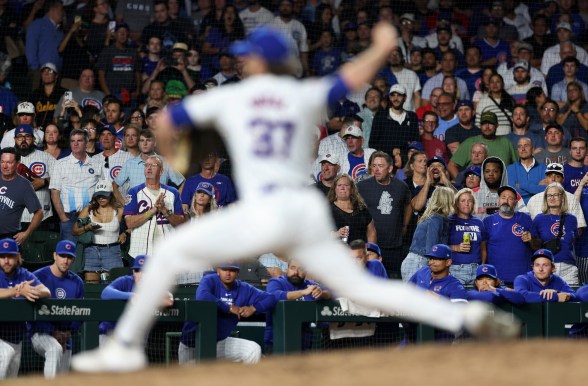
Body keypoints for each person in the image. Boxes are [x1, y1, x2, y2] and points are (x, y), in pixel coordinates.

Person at [72, 24, 519, 374]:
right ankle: (465, 318)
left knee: (168, 251)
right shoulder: (302, 93)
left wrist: (174, 152)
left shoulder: (234, 96)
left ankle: (125, 348)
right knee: (363, 286)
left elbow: (167, 121)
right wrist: (382, 45)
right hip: (304, 209)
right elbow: (353, 76)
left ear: (258, 62)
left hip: (265, 210)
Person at [0, 238, 50, 380]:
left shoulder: (23, 274)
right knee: (5, 352)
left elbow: (46, 291)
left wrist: (31, 290)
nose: (6, 260)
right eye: (2, 256)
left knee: (11, 379)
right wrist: (17, 291)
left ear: (18, 256)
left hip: (15, 338)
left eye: (10, 256)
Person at [0, 148, 43, 270]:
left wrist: (26, 233)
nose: (5, 166)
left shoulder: (24, 185)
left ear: (17, 164)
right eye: (2, 162)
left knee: (9, 275)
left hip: (8, 238)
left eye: (9, 162)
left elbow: (39, 213)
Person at [30, 240, 84, 379]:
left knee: (62, 378)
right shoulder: (38, 276)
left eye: (69, 257)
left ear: (74, 259)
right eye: (62, 256)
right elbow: (31, 309)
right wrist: (52, 332)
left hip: (65, 337)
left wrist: (67, 333)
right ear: (54, 255)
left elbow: (80, 312)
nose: (65, 260)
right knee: (54, 349)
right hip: (40, 333)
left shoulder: (77, 282)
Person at [358, 151, 413, 278]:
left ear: (390, 168)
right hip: (371, 247)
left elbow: (408, 204)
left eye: (380, 166)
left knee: (393, 281)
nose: (376, 169)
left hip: (394, 246)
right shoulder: (362, 187)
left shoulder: (401, 186)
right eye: (374, 165)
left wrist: (404, 226)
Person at [98, 256, 174, 342]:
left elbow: (168, 299)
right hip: (110, 333)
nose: (141, 275)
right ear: (133, 272)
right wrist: (132, 296)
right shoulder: (126, 281)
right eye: (137, 271)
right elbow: (105, 293)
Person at [124, 155, 185, 259]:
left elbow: (180, 223)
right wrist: (152, 211)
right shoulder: (134, 192)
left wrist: (164, 211)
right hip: (140, 252)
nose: (149, 168)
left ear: (161, 171)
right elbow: (129, 223)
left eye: (153, 165)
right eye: (146, 165)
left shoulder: (173, 193)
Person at [264, 258, 330, 354]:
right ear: (287, 269)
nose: (296, 272)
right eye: (292, 268)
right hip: (277, 342)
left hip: (304, 344)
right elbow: (273, 295)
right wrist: (303, 292)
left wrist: (322, 293)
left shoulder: (310, 285)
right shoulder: (276, 282)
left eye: (300, 269)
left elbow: (329, 292)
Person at [50, 128, 102, 242]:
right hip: (69, 218)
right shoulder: (60, 164)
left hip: (91, 216)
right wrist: (63, 218)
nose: (75, 143)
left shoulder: (97, 164)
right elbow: (55, 194)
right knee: (70, 256)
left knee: (91, 253)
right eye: (73, 140)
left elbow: (102, 192)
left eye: (79, 140)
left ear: (86, 143)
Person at [483, 185, 537, 285]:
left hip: (523, 278)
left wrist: (531, 239)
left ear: (515, 203)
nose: (506, 201)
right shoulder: (488, 221)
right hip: (496, 279)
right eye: (503, 197)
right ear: (498, 200)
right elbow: (482, 249)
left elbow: (538, 246)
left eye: (510, 198)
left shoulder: (525, 218)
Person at [73, 181, 125, 282]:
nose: (101, 198)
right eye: (98, 196)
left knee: (111, 285)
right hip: (91, 250)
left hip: (112, 251)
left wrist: (125, 233)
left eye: (104, 196)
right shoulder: (88, 210)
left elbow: (132, 225)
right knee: (91, 285)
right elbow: (75, 231)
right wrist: (87, 228)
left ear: (111, 195)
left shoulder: (119, 211)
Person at [402, 186, 455, 281]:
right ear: (446, 200)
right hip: (419, 263)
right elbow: (432, 249)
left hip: (415, 262)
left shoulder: (434, 217)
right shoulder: (436, 219)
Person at [533, 183, 579, 285]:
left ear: (562, 197)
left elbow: (573, 242)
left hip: (569, 267)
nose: (552, 198)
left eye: (555, 195)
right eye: (549, 195)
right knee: (548, 298)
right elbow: (535, 245)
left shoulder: (572, 219)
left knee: (571, 298)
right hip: (546, 267)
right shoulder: (539, 219)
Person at [14, 125, 57, 230]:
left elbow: (63, 178)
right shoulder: (8, 158)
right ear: (15, 139)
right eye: (20, 137)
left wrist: (45, 181)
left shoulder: (46, 157)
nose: (23, 140)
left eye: (27, 136)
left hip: (43, 217)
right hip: (15, 217)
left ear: (33, 139)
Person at [448, 189, 486, 285]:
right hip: (455, 269)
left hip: (476, 270)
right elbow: (439, 245)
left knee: (476, 299)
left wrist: (482, 266)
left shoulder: (478, 222)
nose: (467, 204)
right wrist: (456, 247)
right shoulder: (449, 221)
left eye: (470, 201)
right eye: (463, 201)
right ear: (457, 204)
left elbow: (483, 248)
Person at [329, 174, 375, 244]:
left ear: (352, 189)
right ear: (334, 188)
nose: (342, 188)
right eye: (339, 185)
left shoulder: (361, 209)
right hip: (338, 253)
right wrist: (336, 234)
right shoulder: (327, 210)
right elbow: (318, 234)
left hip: (360, 253)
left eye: (346, 185)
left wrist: (371, 251)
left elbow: (371, 233)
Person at [506, 137, 547, 204]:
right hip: (518, 207)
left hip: (539, 206)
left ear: (533, 149)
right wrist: (536, 187)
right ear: (517, 150)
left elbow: (545, 190)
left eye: (526, 145)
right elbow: (512, 192)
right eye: (520, 146)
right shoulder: (511, 168)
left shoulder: (544, 168)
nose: (523, 149)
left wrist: (522, 185)